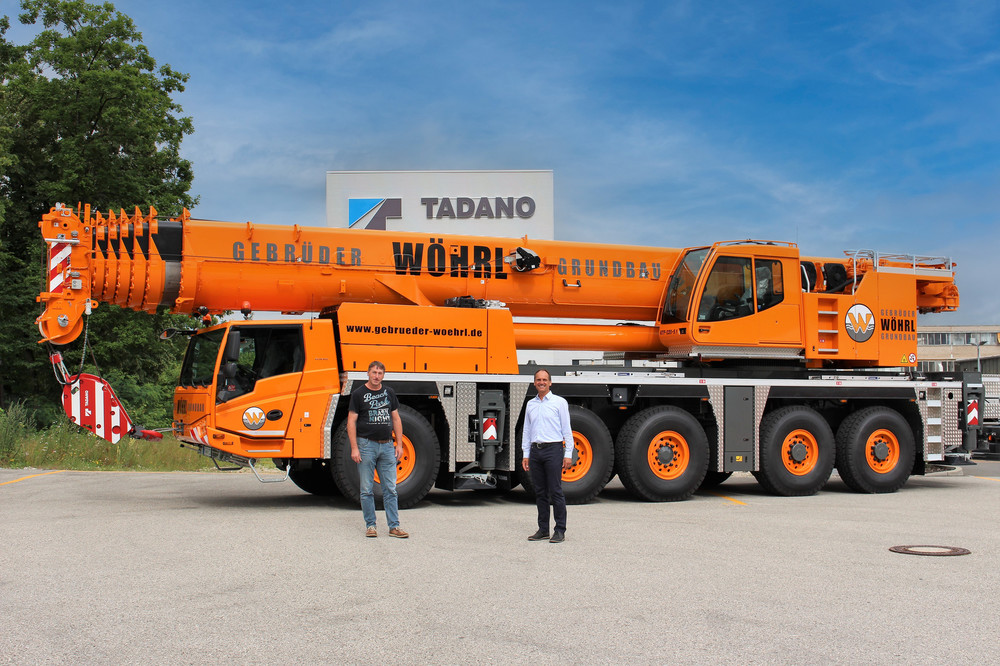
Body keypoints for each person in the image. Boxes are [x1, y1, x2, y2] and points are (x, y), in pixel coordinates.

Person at [347, 361, 409, 538]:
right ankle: (371, 526)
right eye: (374, 372)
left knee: (390, 489)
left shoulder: (389, 393)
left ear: (383, 375)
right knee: (366, 489)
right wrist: (354, 448)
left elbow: (396, 419)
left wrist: (399, 445)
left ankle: (394, 526)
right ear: (368, 373)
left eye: (380, 373)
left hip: (387, 446)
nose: (376, 376)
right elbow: (351, 421)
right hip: (366, 446)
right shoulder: (358, 394)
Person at [521, 368, 574, 543]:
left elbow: (566, 429)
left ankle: (559, 530)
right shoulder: (531, 404)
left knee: (555, 491)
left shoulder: (559, 403)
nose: (541, 382)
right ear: (534, 383)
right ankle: (543, 529)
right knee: (540, 492)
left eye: (544, 380)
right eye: (538, 380)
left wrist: (568, 454)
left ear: (550, 382)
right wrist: (526, 454)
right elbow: (527, 430)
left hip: (553, 450)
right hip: (536, 451)